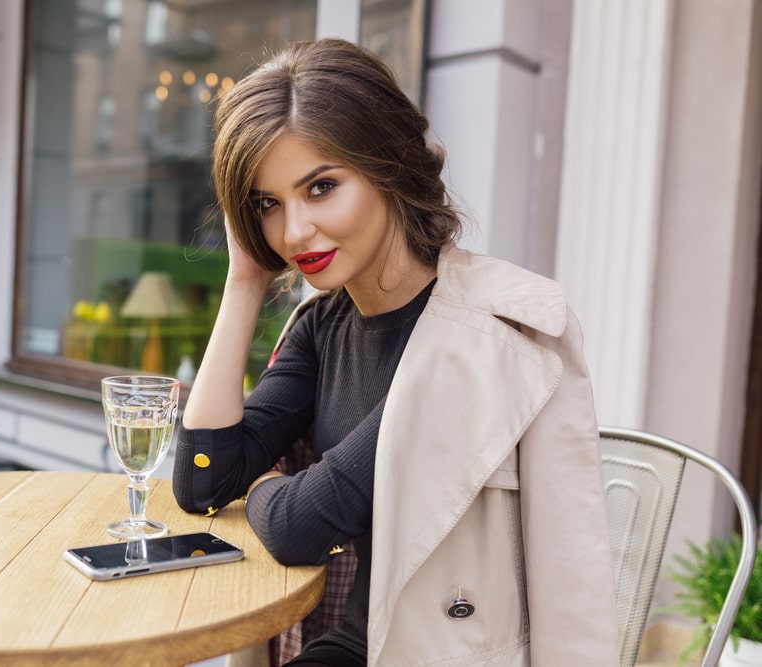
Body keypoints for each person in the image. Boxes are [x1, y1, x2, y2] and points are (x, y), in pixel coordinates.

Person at [173, 38, 619, 667]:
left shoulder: (484, 332)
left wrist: (265, 484)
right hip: (350, 641)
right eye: (268, 204)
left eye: (321, 187)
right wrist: (244, 280)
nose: (294, 231)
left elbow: (304, 525)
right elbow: (202, 481)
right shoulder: (323, 326)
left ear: (386, 166)